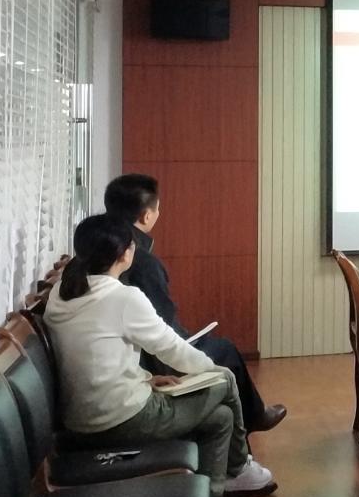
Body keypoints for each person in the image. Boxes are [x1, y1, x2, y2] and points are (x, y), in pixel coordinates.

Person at [44, 215, 273, 497]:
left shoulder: (61, 293)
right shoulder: (124, 298)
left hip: (81, 420)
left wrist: (147, 378)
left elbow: (96, 357)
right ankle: (239, 471)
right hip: (121, 420)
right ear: (125, 253)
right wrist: (210, 370)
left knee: (220, 418)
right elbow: (173, 349)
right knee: (224, 380)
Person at [104, 173, 286, 432]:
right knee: (226, 352)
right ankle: (254, 420)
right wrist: (194, 351)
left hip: (132, 363)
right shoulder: (141, 261)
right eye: (158, 209)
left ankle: (249, 427)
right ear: (146, 216)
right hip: (151, 364)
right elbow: (163, 329)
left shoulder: (98, 254)